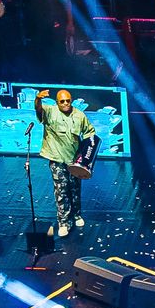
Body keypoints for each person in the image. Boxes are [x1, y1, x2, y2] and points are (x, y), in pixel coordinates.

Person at [35, 89, 96, 238]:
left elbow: (89, 132)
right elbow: (39, 110)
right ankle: (63, 222)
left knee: (75, 189)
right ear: (57, 102)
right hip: (57, 158)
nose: (66, 103)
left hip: (74, 160)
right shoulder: (50, 112)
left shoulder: (79, 115)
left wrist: (86, 152)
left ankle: (76, 215)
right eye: (62, 101)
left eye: (68, 100)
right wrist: (38, 99)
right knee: (61, 190)